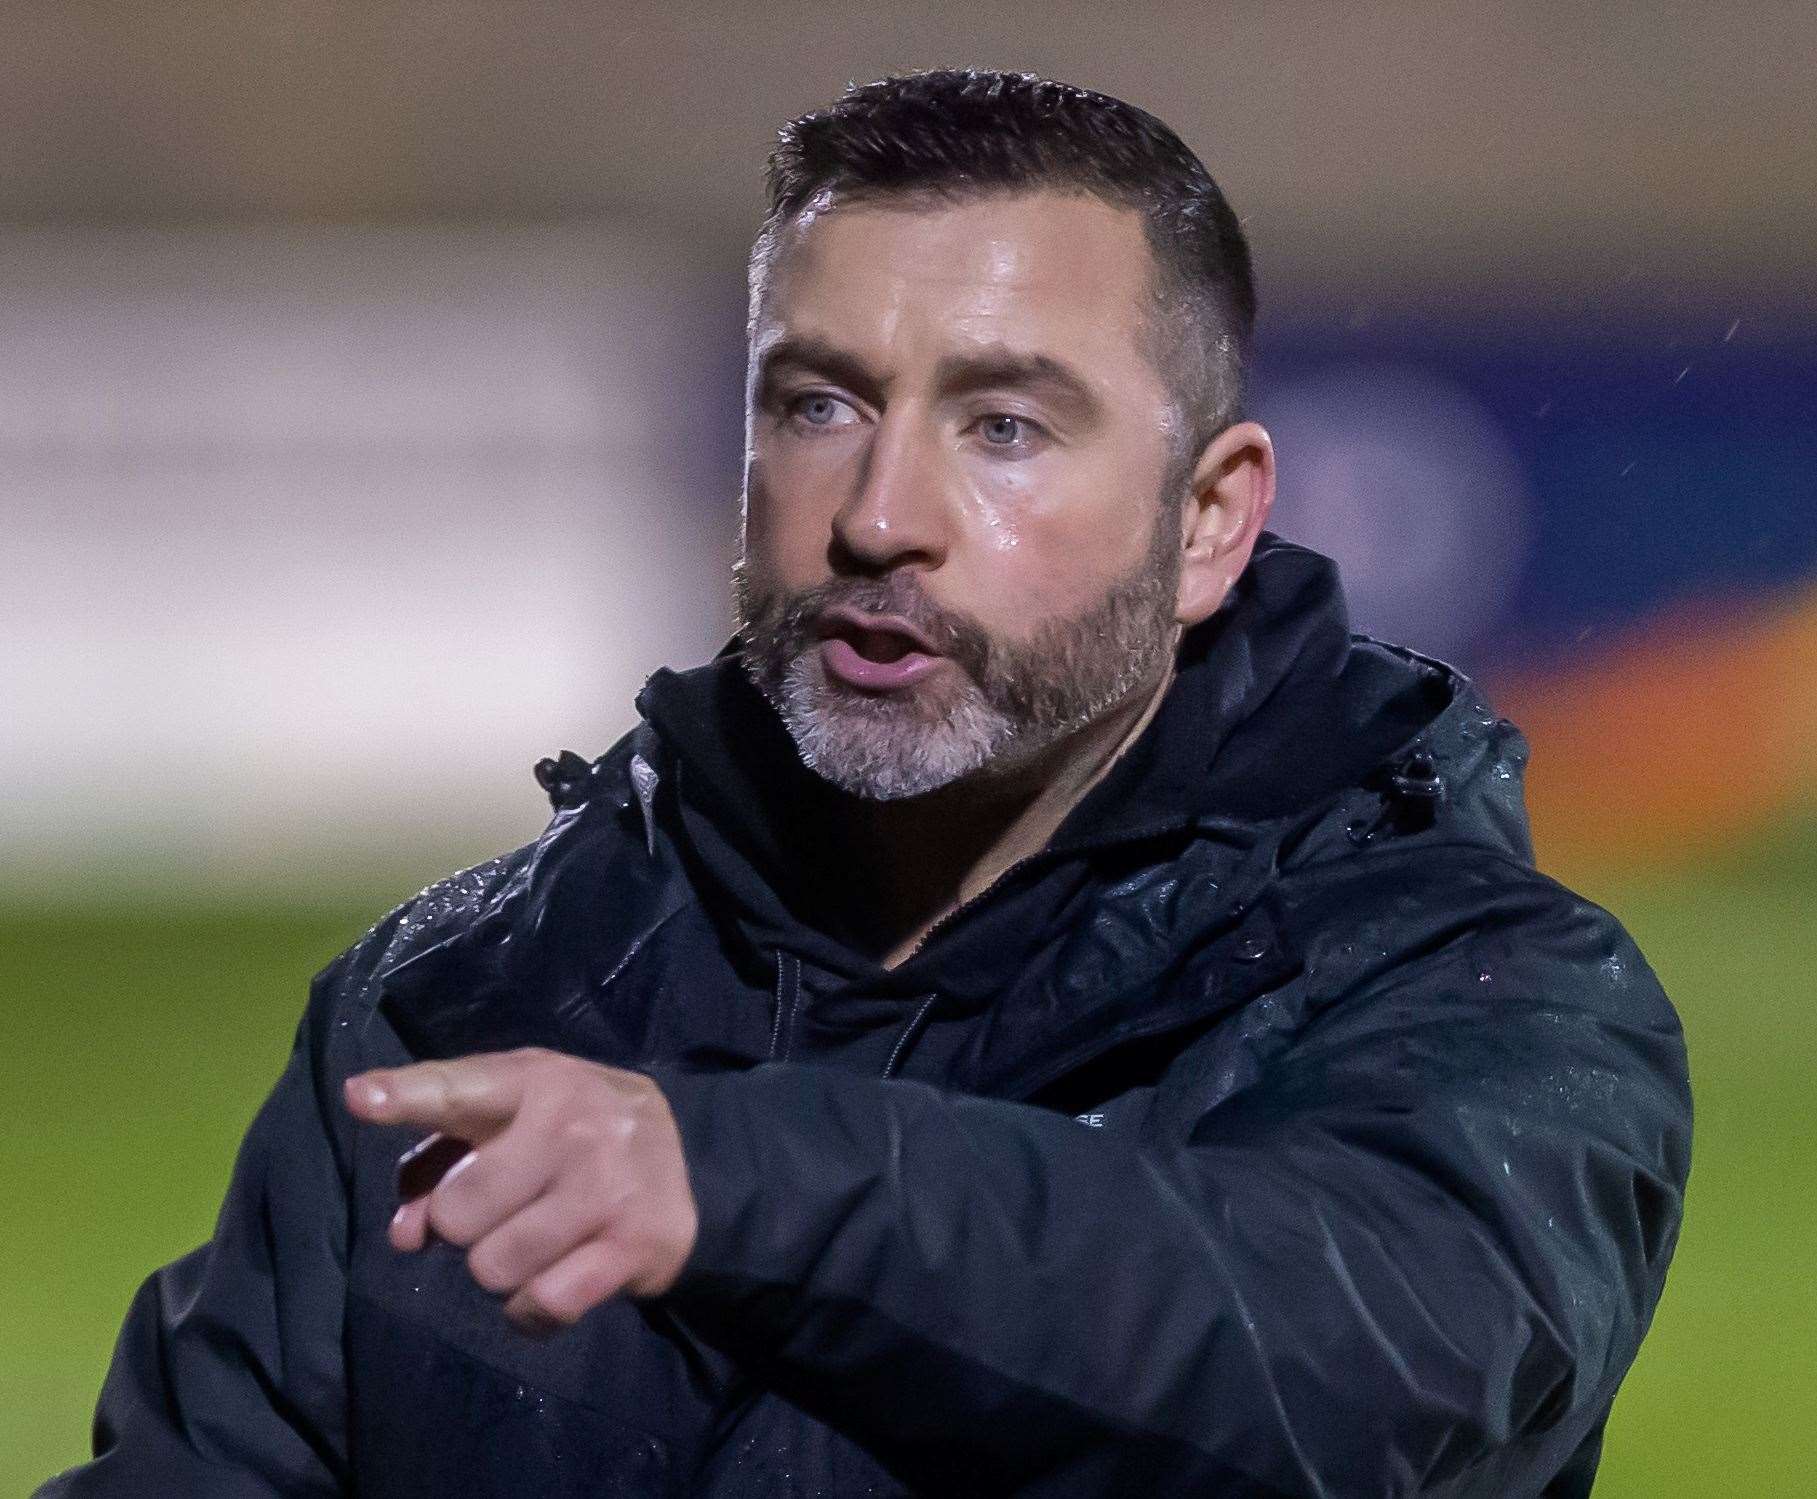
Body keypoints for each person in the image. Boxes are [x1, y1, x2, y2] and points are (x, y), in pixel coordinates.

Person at [39, 70, 1691, 1498]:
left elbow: (1370, 1385)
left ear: (1208, 521)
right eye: (818, 404)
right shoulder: (459, 1003)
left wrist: (741, 1180)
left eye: (1004, 427)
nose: (880, 513)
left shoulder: (1480, 992)